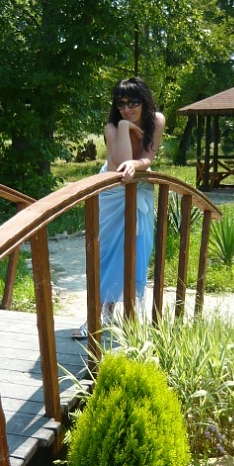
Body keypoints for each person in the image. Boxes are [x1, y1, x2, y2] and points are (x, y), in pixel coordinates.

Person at [72, 77, 165, 338]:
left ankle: (129, 317)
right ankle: (95, 316)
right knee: (107, 252)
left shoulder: (156, 120)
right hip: (112, 190)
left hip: (139, 186)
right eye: (121, 104)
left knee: (136, 250)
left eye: (133, 102)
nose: (127, 108)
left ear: (144, 100)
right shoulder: (112, 127)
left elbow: (146, 158)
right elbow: (120, 164)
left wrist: (136, 165)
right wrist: (124, 127)